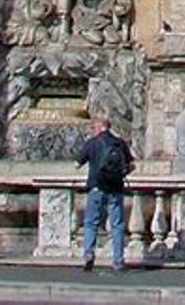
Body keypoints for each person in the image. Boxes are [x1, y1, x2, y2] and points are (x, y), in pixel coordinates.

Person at [77, 114, 132, 273]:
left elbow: (76, 164)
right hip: (115, 188)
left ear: (101, 127)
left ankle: (88, 254)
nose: (92, 131)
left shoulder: (92, 144)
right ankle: (118, 261)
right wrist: (121, 174)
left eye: (93, 127)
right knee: (117, 225)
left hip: (96, 187)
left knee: (91, 223)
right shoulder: (119, 143)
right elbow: (132, 165)